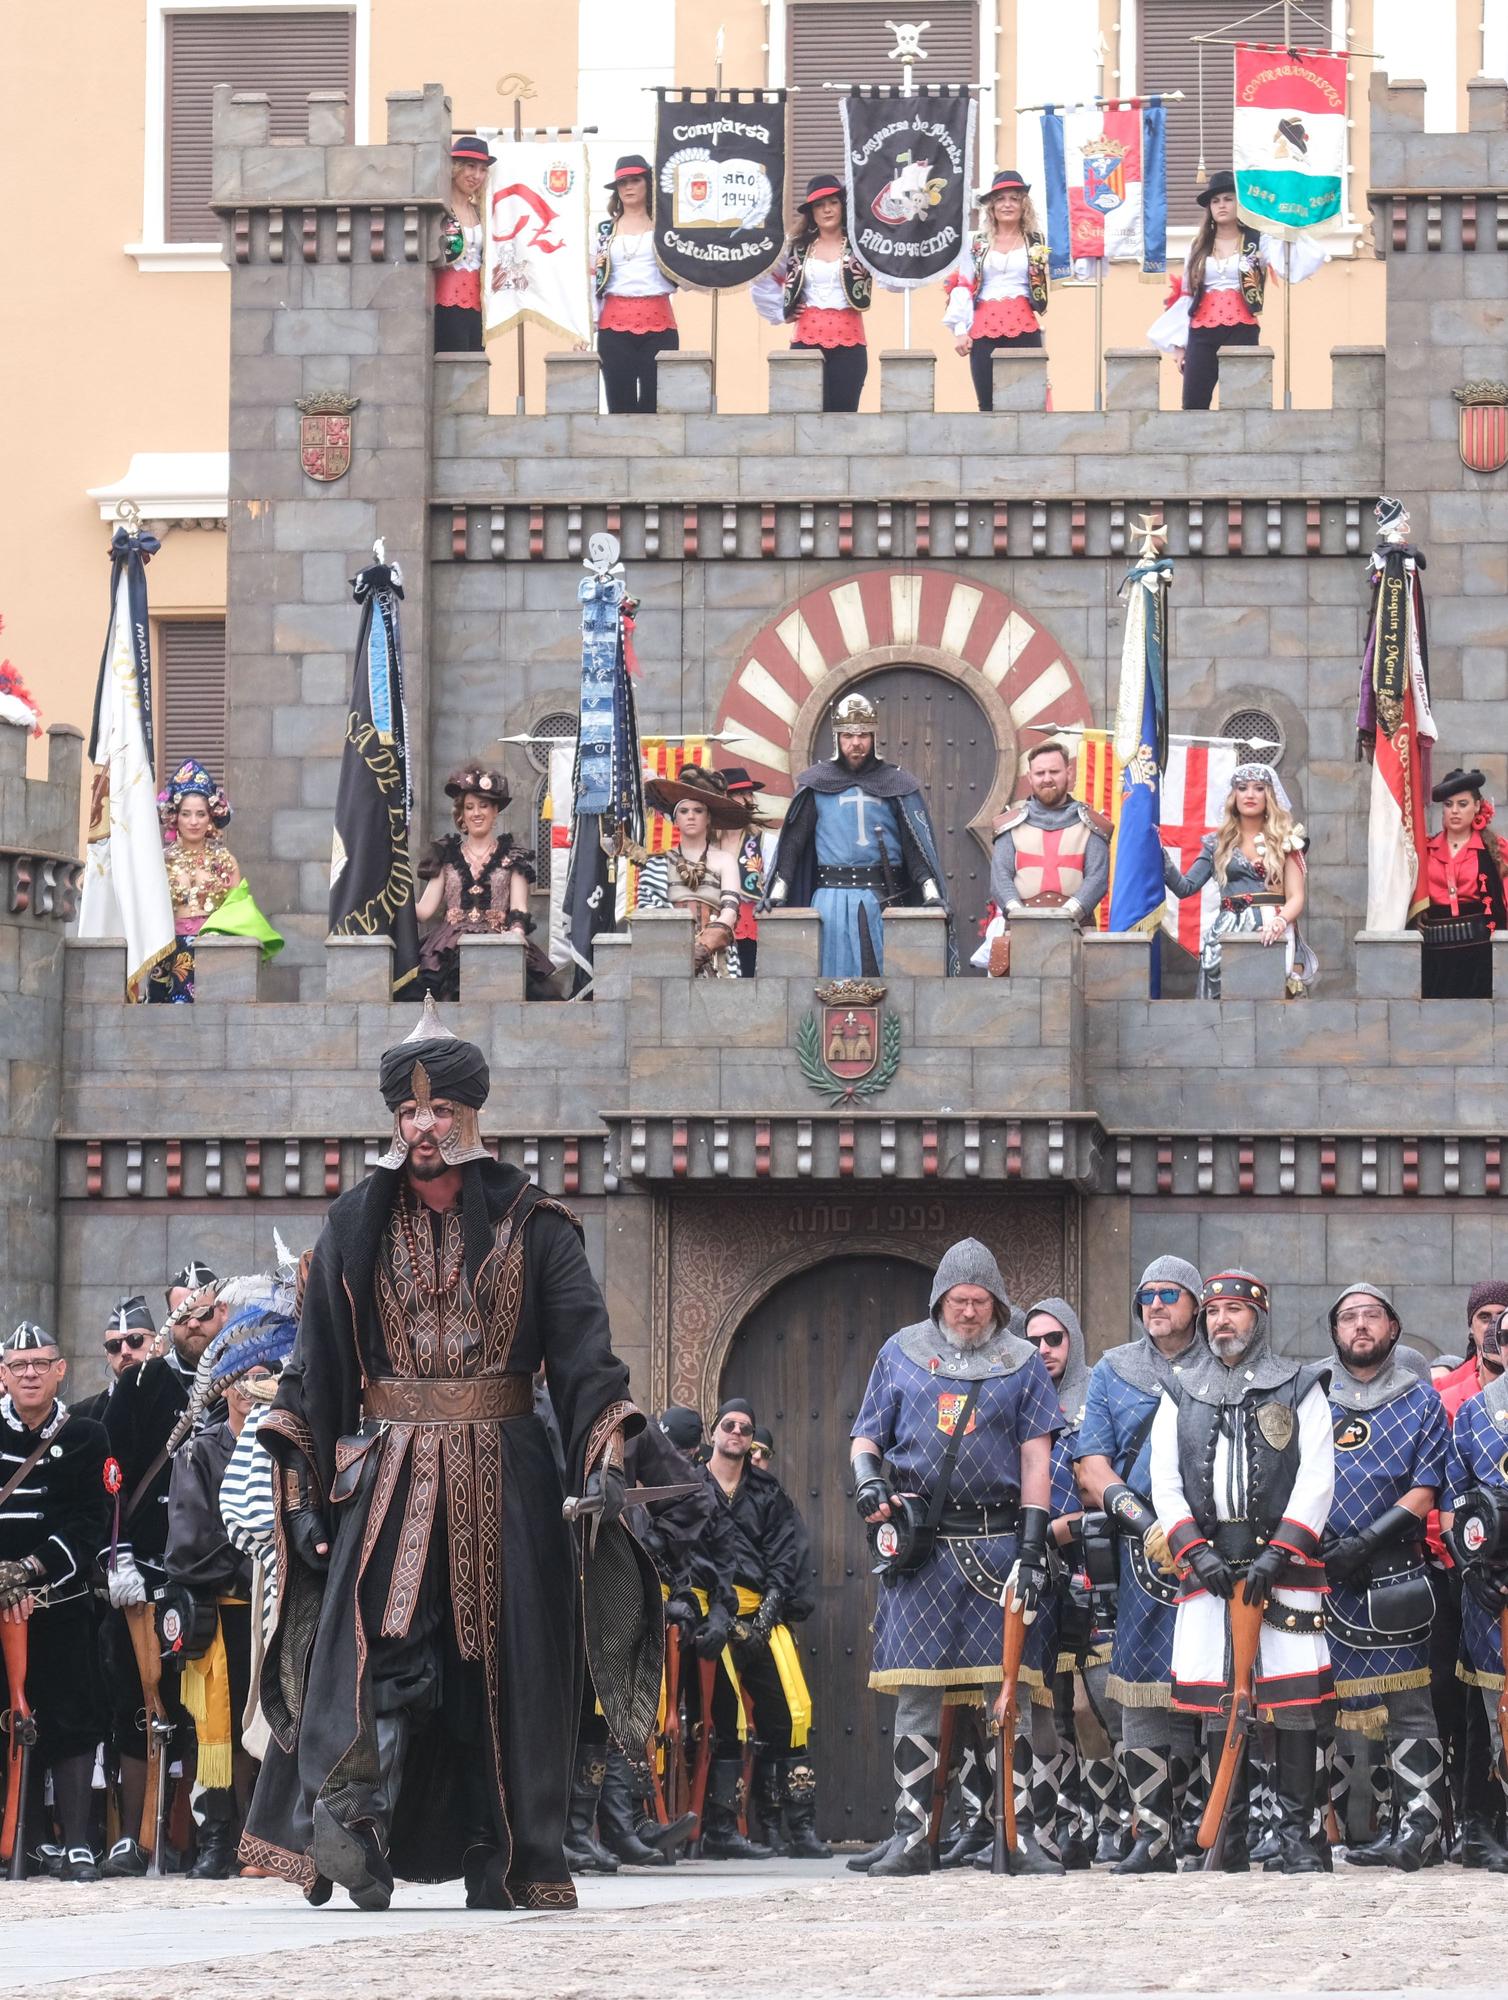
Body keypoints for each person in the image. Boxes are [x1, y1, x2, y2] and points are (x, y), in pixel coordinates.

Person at [239, 996, 660, 1912]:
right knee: (381, 1646)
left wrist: (606, 1458)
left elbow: (586, 1355)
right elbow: (313, 1373)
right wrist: (307, 1495)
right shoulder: (353, 1225)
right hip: (387, 1472)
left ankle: (499, 1853)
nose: (423, 1127)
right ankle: (355, 1819)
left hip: (508, 1473)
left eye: (439, 1111)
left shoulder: (536, 1225)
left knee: (495, 1668)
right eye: (408, 1112)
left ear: (472, 1117)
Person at [850, 1239, 1061, 1877]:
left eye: (979, 1301)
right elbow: (866, 1435)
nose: (968, 1312)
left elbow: (1035, 1456)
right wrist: (868, 1481)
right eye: (957, 1300)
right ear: (939, 1300)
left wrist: (1033, 1541)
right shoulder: (902, 1353)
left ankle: (1020, 1836)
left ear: (996, 1302)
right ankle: (914, 1836)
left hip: (1000, 1542)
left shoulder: (1022, 1362)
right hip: (924, 1548)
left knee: (1012, 1691)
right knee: (915, 1693)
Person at [1150, 1269, 1336, 1875]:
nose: (1221, 1321)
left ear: (1259, 1318)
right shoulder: (1179, 1389)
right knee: (1216, 1703)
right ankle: (1227, 1839)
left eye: (1234, 1311)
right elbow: (1165, 1481)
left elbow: (1316, 1476)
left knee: (1295, 1703)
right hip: (1208, 1568)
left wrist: (1280, 1552)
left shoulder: (1301, 1385)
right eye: (1212, 1312)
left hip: (1281, 1568)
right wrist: (1193, 1551)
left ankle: (1299, 1839)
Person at [1074, 1256, 1204, 1874]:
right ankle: (1151, 1832)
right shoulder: (1112, 1370)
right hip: (1141, 1542)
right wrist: (1145, 1523)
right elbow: (1091, 1464)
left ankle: (1216, 1826)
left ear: (1196, 1304)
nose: (1156, 1304)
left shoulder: (1222, 1364)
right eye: (1146, 1294)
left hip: (1215, 1543)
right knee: (1144, 1685)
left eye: (1170, 1294)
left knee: (1217, 1680)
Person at [163, 1301, 297, 1879]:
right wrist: (255, 1563)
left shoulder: (291, 1444)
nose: (255, 1387)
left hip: (278, 1609)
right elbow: (190, 1543)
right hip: (223, 1611)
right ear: (226, 1386)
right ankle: (218, 1838)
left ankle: (267, 1838)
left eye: (267, 1375)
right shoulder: (199, 1450)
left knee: (277, 1720)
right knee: (214, 1730)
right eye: (245, 1377)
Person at [1321, 1285, 1450, 1870]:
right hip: (1323, 1567)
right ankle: (1345, 1824)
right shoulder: (1312, 1396)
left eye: (1372, 1315)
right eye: (1349, 1317)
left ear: (1393, 1329)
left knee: (1408, 1704)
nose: (1361, 1325)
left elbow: (1427, 1486)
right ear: (1335, 1332)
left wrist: (1368, 1540)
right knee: (1329, 1705)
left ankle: (1420, 1829)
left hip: (1393, 1565)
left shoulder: (1421, 1400)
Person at [98, 1282, 221, 1874]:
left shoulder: (239, 1377)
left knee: (202, 1705)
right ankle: (138, 1835)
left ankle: (200, 1834)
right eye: (183, 1313)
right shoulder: (140, 1384)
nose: (193, 1323)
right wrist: (117, 1553)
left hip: (211, 1567)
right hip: (145, 1568)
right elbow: (114, 1475)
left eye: (203, 1311)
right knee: (137, 1700)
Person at [0, 1324, 111, 1882]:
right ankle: (19, 1841)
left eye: (40, 1364)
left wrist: (29, 1568)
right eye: (18, 1365)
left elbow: (89, 1520)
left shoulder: (87, 1435)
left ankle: (78, 1842)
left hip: (58, 1603)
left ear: (61, 1370)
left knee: (72, 1717)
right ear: (3, 1373)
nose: (30, 1374)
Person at [702, 1396, 827, 1860]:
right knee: (729, 1719)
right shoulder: (692, 1487)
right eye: (729, 1425)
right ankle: (722, 1829)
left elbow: (784, 1556)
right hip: (709, 1619)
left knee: (792, 1713)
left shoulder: (768, 1493)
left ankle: (801, 1830)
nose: (737, 1433)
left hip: (761, 1616)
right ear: (713, 1432)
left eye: (746, 1428)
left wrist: (767, 1614)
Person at [764, 690, 953, 978]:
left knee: (883, 983)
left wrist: (930, 892)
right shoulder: (817, 783)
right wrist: (778, 892)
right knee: (829, 984)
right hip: (829, 903)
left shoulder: (896, 782)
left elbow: (915, 845)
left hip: (883, 903)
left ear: (874, 737)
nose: (856, 743)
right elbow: (793, 845)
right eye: (848, 735)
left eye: (863, 734)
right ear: (837, 738)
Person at [1023, 1297, 1104, 1871]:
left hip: (1089, 1565)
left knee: (1089, 1706)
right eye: (1033, 1342)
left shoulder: (1095, 1399)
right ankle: (1046, 1823)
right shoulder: (1015, 1402)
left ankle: (1100, 1818)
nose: (1044, 1351)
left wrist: (1063, 1527)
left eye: (1054, 1339)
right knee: (1040, 1703)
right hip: (1033, 1568)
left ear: (1072, 1340)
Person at [1148, 170, 1323, 409]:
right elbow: (1186, 294)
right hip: (1201, 329)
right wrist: (1179, 347)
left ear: (1240, 204)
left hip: (1242, 326)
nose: (1221, 205)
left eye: (1228, 199)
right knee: (1193, 400)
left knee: (1244, 400)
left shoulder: (1259, 240)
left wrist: (1284, 222)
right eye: (1215, 201)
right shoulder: (1198, 245)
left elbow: (1287, 263)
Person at [1442, 1307, 1508, 1869]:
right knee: (1495, 1712)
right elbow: (1455, 1500)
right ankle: (1487, 1825)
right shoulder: (1472, 1416)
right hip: (1491, 1584)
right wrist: (1470, 1565)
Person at [1162, 762, 1316, 999]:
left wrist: (1279, 922)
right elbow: (1186, 888)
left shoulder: (1287, 840)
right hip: (1228, 930)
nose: (1250, 795)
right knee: (1222, 1007)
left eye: (1259, 788)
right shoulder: (1217, 843)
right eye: (1243, 788)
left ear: (1270, 795)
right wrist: (1159, 857)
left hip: (1273, 926)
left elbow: (1296, 896)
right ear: (1233, 796)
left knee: (1275, 1003)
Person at [415, 764, 556, 1001]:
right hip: (449, 947)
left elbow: (519, 908)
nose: (476, 813)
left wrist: (516, 935)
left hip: (500, 939)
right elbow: (424, 910)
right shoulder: (445, 855)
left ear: (495, 811)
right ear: (461, 814)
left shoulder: (514, 857)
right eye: (469, 807)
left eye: (484, 806)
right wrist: (392, 893)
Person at [148, 760, 280, 1004]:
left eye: (200, 814)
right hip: (166, 953)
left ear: (211, 817)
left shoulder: (226, 861)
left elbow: (239, 912)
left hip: (214, 952)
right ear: (174, 817)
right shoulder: (159, 862)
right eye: (186, 814)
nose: (193, 821)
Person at [984, 740, 1110, 974]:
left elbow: (1097, 879)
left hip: (1077, 931)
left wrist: (1068, 914)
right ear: (1030, 778)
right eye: (1040, 773)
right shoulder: (1009, 825)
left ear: (1069, 773)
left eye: (1054, 771)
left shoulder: (1092, 825)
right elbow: (1000, 877)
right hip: (1020, 933)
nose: (1047, 778)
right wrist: (1020, 915)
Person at [752, 175, 873, 413]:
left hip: (850, 343)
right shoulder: (796, 247)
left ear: (842, 205)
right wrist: (781, 311)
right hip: (805, 340)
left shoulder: (861, 245)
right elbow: (763, 274)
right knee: (802, 416)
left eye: (833, 202)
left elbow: (891, 268)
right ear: (811, 212)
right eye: (819, 205)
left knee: (844, 417)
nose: (827, 210)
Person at [944, 169, 1051, 412]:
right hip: (983, 328)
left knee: (1028, 404)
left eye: (1014, 198)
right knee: (987, 403)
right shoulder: (977, 243)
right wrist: (960, 331)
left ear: (1024, 205)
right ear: (991, 207)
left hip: (1023, 323)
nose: (1007, 204)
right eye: (1001, 199)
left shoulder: (1036, 242)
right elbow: (963, 284)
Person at [634, 764, 748, 978]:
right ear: (675, 819)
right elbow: (649, 913)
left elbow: (731, 910)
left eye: (698, 811)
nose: (691, 816)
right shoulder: (656, 862)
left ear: (709, 818)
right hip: (666, 956)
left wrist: (703, 948)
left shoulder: (725, 860)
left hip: (717, 958)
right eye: (684, 811)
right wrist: (680, 953)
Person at [593, 155, 679, 414]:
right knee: (619, 405)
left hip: (659, 322)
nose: (628, 187)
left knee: (658, 403)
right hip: (613, 324)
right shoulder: (604, 231)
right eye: (622, 183)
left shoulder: (666, 228)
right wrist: (586, 325)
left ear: (648, 184)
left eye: (635, 180)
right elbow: (592, 280)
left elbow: (686, 268)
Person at [1419, 768, 1508, 999]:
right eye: (1448, 805)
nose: (1455, 811)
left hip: (1481, 952)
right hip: (1435, 954)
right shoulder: (1426, 850)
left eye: (1462, 804)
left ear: (1477, 806)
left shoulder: (1495, 849)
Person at [436, 133, 492, 353]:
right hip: (444, 301)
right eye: (470, 166)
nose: (476, 175)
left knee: (476, 366)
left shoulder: (480, 213)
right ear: (455, 168)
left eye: (483, 169)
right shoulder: (440, 209)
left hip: (478, 303)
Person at [74, 1293, 158, 1424]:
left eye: (135, 1340)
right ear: (107, 1355)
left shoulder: (185, 1400)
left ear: (158, 1346)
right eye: (114, 1346)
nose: (125, 1352)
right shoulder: (83, 1414)